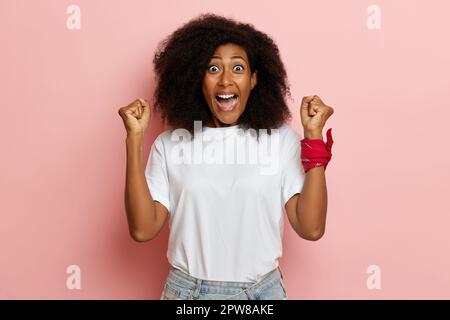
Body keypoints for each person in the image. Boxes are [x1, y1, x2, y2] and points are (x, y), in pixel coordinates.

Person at [118, 13, 334, 300]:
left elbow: (312, 227)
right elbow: (143, 229)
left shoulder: (281, 141)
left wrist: (314, 138)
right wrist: (134, 139)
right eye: (213, 68)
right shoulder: (170, 145)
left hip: (261, 295)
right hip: (188, 295)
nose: (226, 81)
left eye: (238, 68)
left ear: (254, 79)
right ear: (197, 78)